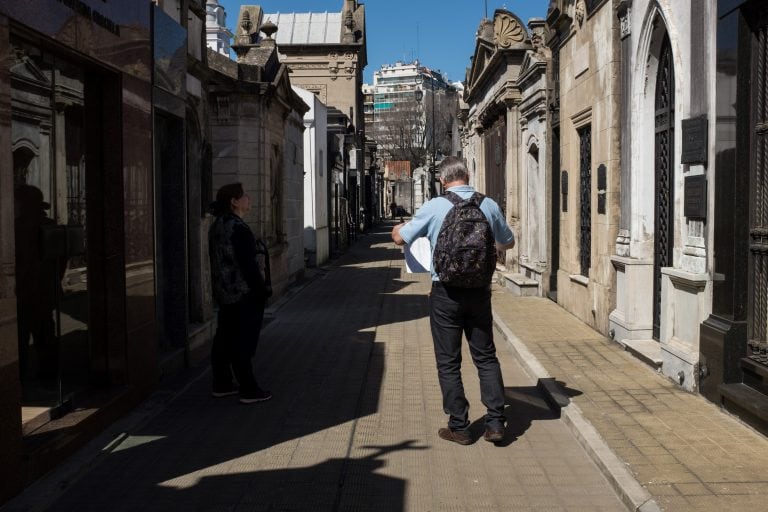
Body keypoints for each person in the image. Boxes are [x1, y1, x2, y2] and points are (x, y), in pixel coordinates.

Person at [391, 157, 515, 445]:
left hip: (445, 293)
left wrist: (398, 230)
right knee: (485, 357)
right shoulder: (488, 204)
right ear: (468, 176)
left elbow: (401, 238)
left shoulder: (435, 206)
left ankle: (459, 427)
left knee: (448, 362)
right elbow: (508, 241)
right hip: (480, 293)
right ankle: (496, 423)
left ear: (444, 180)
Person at [209, 183, 272, 404]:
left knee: (225, 337)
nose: (248, 198)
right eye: (244, 195)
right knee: (243, 340)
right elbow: (249, 265)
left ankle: (222, 383)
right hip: (244, 293)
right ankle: (248, 388)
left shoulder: (218, 225)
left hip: (225, 293)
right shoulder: (238, 228)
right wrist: (261, 290)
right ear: (234, 201)